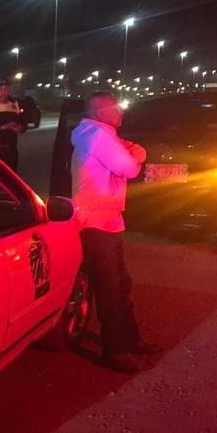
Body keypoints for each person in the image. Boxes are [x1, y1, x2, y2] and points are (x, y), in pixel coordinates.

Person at [71, 91, 161, 374]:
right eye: (116, 108)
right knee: (109, 289)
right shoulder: (96, 135)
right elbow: (129, 168)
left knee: (121, 285)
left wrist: (134, 153)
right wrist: (135, 156)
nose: (121, 112)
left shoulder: (103, 134)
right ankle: (114, 350)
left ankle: (130, 340)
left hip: (109, 219)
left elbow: (134, 153)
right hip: (95, 222)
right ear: (101, 113)